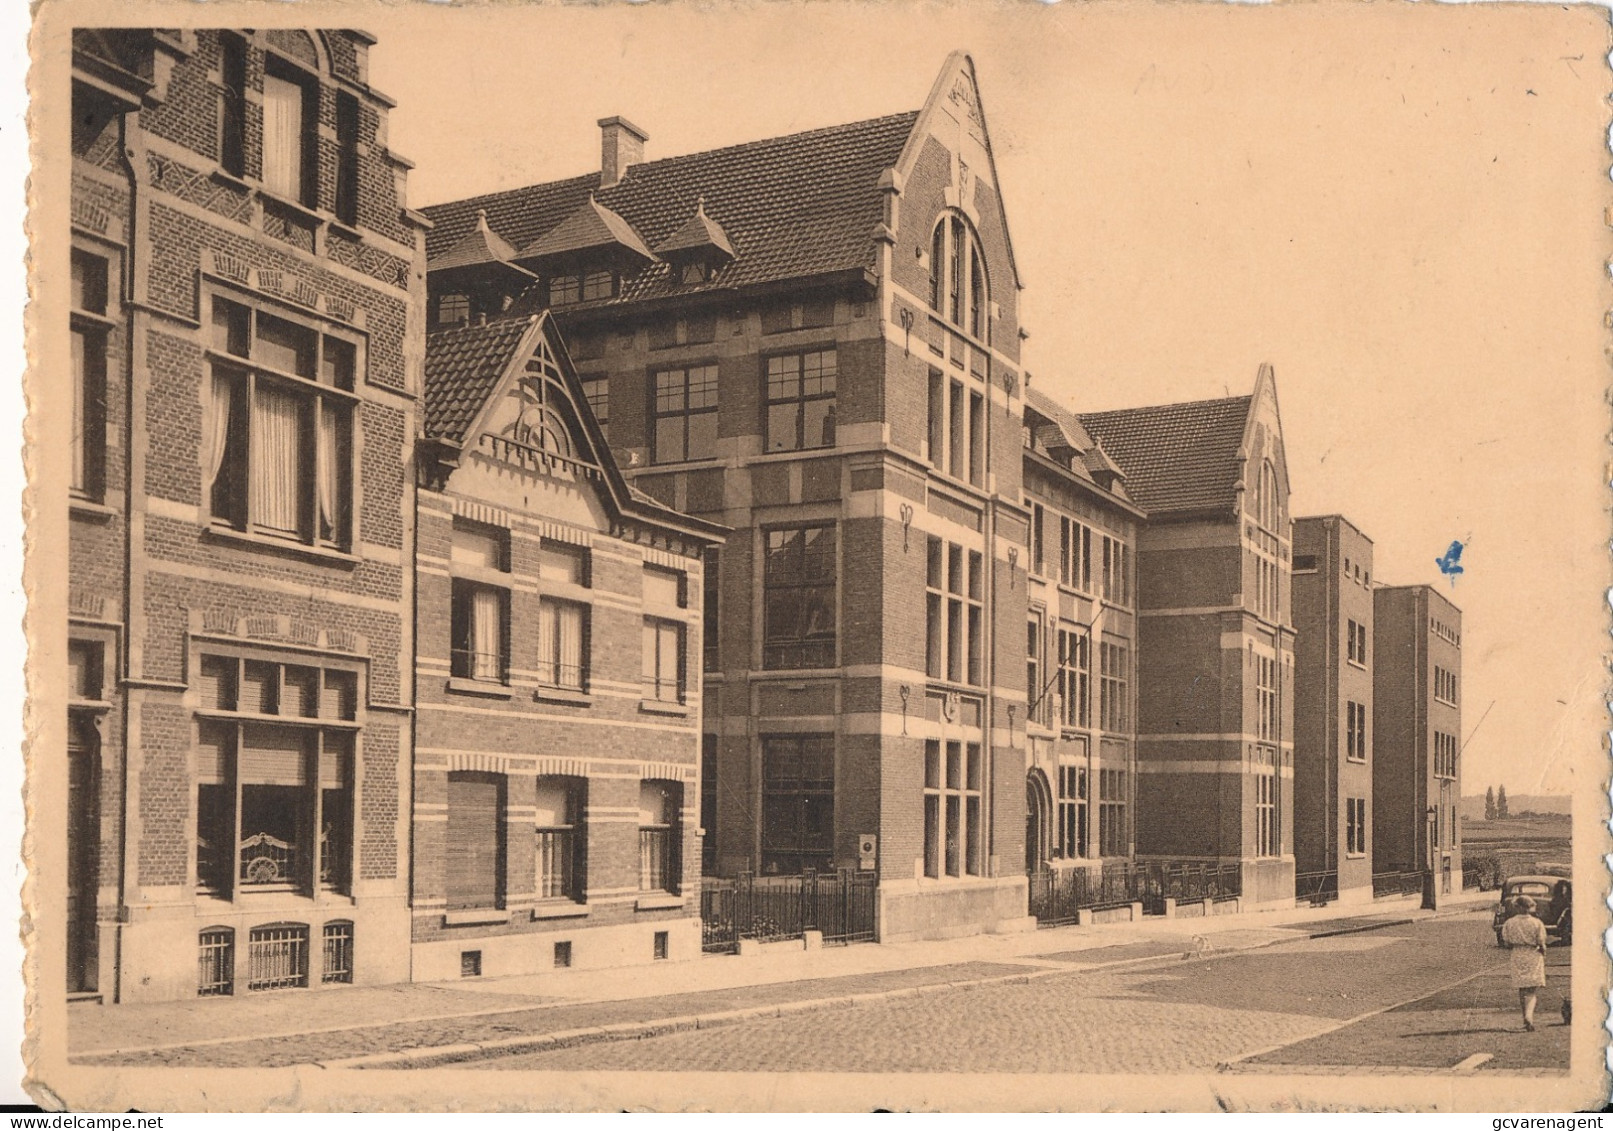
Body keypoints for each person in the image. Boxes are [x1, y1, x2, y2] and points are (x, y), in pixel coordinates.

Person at [1500, 894, 1549, 1030]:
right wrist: (1543, 951)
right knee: (1532, 989)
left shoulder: (1510, 923)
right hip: (1533, 954)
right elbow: (1541, 941)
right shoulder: (1536, 923)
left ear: (1517, 907)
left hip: (1517, 954)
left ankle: (1525, 1018)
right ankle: (1529, 1016)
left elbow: (1506, 941)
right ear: (1530, 907)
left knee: (1522, 988)